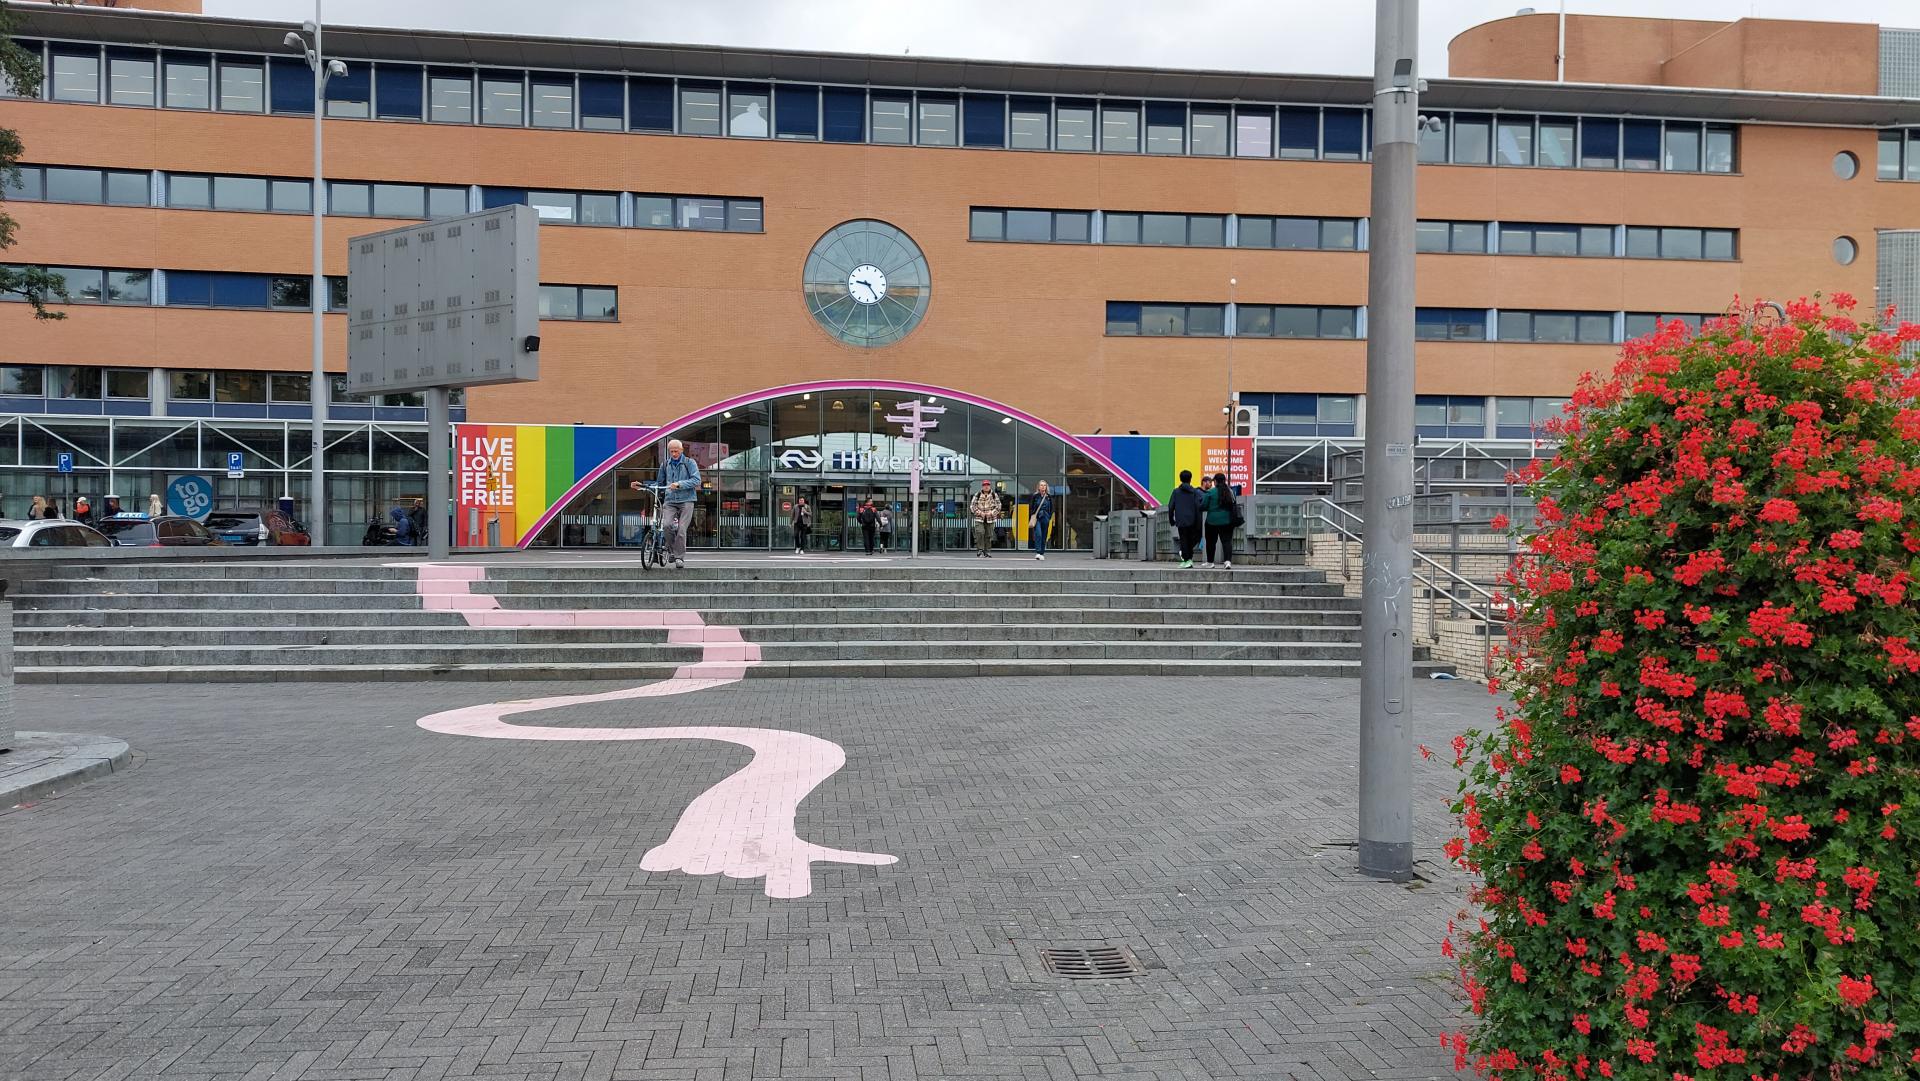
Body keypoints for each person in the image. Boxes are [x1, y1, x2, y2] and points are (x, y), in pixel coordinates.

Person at [633, 438, 699, 569]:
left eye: (676, 451)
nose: (674, 454)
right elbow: (659, 483)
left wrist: (680, 484)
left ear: (681, 450)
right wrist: (641, 485)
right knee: (667, 525)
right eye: (671, 451)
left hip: (687, 500)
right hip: (670, 500)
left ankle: (679, 557)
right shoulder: (665, 465)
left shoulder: (689, 463)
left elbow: (696, 480)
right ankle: (672, 551)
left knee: (681, 529)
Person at [1167, 469, 1203, 569]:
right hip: (1193, 520)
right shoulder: (1195, 492)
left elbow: (1170, 507)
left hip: (1181, 520)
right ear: (1190, 479)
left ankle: (1187, 559)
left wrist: (1171, 519)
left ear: (1180, 479)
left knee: (1184, 539)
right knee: (1192, 539)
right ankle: (1189, 559)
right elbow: (1198, 505)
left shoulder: (1176, 492)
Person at [1201, 472, 1238, 569]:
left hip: (1211, 521)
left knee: (1211, 542)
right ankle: (1228, 561)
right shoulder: (1230, 491)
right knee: (1226, 541)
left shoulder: (1210, 492)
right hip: (1227, 521)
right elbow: (1233, 505)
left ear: (1216, 481)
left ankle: (1210, 562)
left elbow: (1203, 506)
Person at [969, 479, 1000, 558]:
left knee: (989, 535)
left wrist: (991, 513)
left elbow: (999, 506)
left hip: (990, 519)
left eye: (987, 485)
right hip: (979, 518)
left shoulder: (994, 495)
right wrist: (980, 513)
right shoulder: (977, 494)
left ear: (990, 486)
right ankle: (980, 549)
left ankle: (987, 551)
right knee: (980, 532)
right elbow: (972, 506)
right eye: (984, 485)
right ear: (982, 486)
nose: (986, 486)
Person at [1028, 481, 1054, 561]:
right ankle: (1038, 552)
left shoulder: (1049, 497)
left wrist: (1049, 517)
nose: (1043, 487)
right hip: (1037, 517)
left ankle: (1042, 553)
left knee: (1044, 535)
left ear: (1046, 487)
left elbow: (1052, 508)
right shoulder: (1035, 496)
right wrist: (1033, 514)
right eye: (1041, 485)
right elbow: (1031, 507)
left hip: (1045, 517)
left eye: (1044, 485)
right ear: (1038, 487)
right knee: (1038, 534)